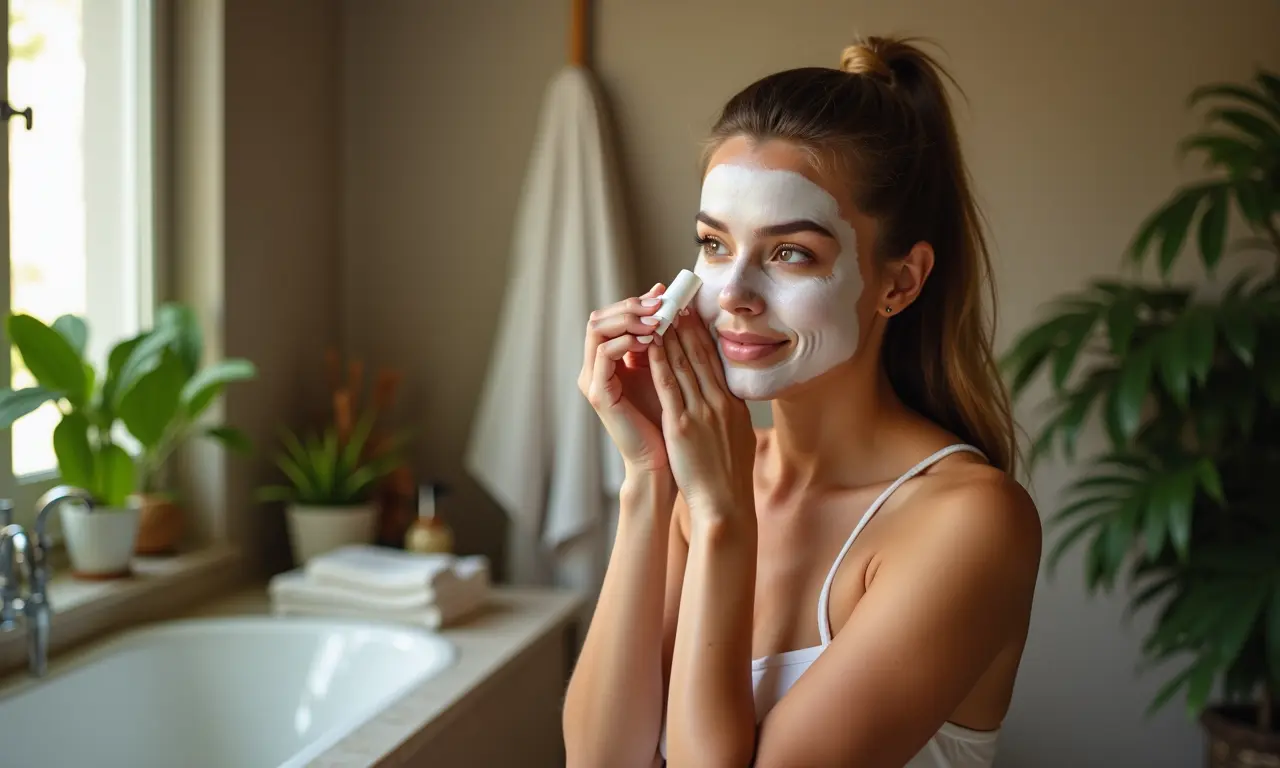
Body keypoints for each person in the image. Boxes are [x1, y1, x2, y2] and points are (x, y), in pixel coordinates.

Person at [562, 35, 1041, 768]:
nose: (735, 298)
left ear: (900, 282)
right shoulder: (709, 472)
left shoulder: (970, 522)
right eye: (714, 245)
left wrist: (725, 520)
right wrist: (649, 476)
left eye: (791, 253)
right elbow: (599, 760)